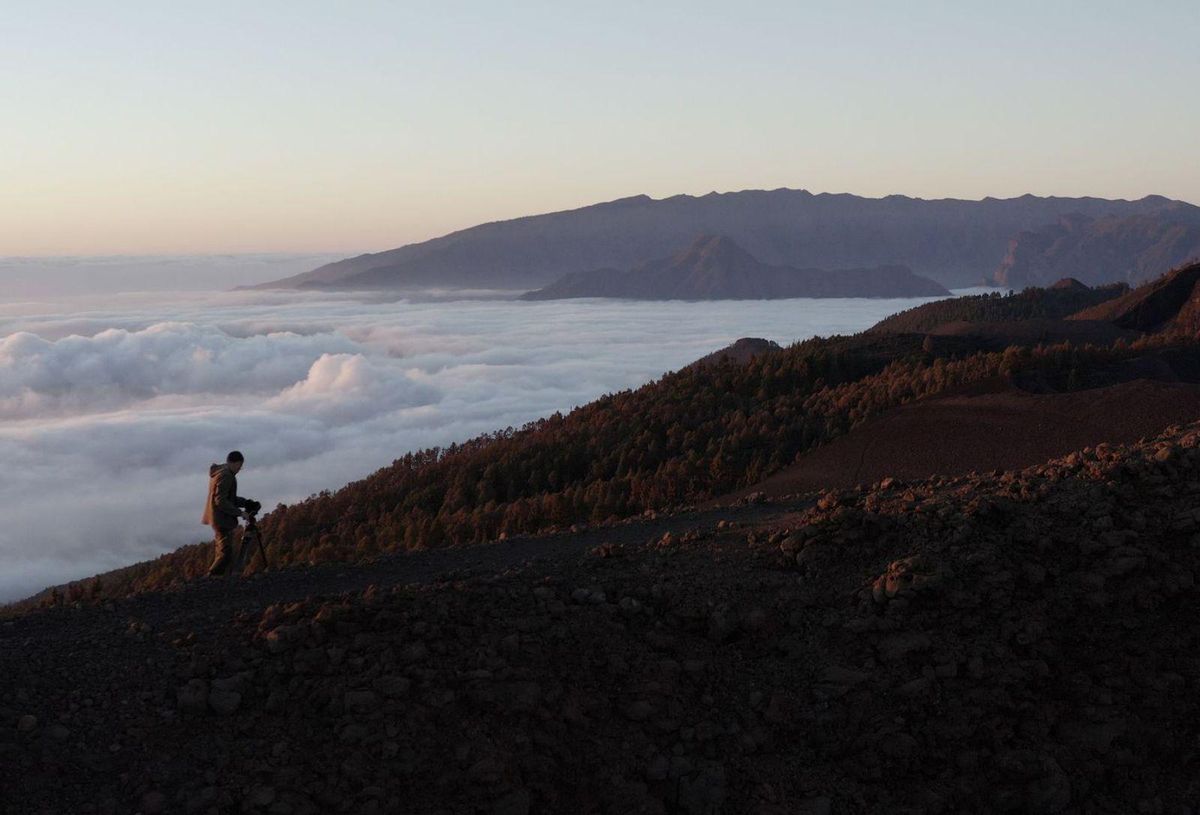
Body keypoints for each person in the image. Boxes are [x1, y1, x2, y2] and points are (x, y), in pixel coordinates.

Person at [202, 450, 254, 576]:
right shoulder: (226, 475)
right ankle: (210, 580)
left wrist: (246, 502)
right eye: (240, 466)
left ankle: (217, 579)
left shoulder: (221, 472)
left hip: (217, 517)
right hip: (221, 519)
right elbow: (220, 501)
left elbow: (228, 498)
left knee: (222, 552)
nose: (239, 469)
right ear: (235, 463)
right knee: (226, 554)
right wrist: (240, 513)